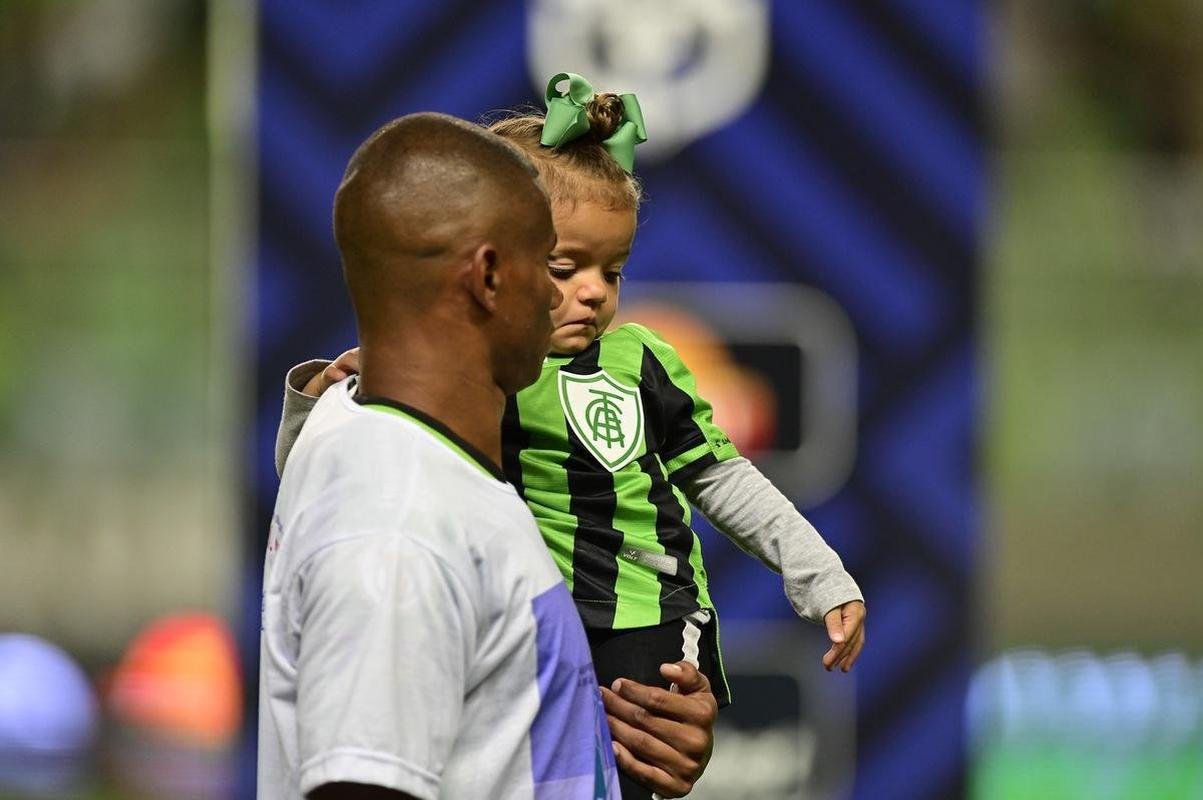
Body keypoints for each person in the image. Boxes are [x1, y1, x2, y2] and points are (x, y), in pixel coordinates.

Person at [276, 74, 865, 799]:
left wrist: (818, 576)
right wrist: (322, 398)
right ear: (486, 271)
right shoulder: (386, 475)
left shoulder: (628, 367)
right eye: (558, 266)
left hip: (646, 622)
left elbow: (723, 476)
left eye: (612, 272)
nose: (591, 291)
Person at [259, 111, 714, 800]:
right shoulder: (399, 523)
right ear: (490, 277)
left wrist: (637, 741)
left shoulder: (396, 449)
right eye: (550, 263)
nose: (571, 296)